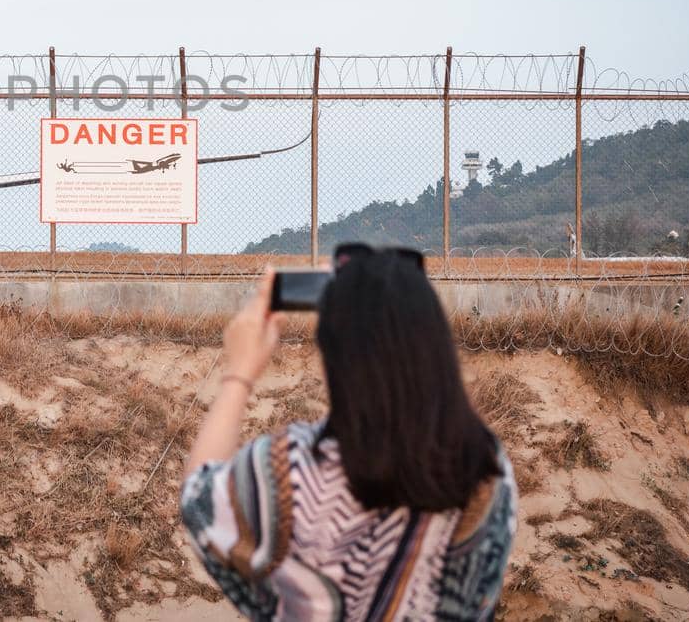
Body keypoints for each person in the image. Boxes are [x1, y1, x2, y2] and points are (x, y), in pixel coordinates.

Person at [180, 245, 516, 620]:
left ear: (333, 358)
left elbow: (198, 500)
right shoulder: (488, 470)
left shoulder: (289, 472)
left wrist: (239, 373)